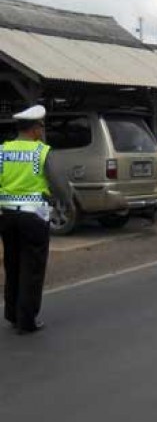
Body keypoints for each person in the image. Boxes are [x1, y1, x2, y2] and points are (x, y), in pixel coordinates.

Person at [1, 105, 70, 334]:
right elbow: (59, 185)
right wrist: (66, 202)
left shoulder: (3, 151)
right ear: (33, 129)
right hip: (34, 217)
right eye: (41, 125)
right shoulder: (41, 152)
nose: (42, 129)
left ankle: (11, 314)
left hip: (7, 216)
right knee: (32, 268)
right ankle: (26, 320)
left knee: (12, 264)